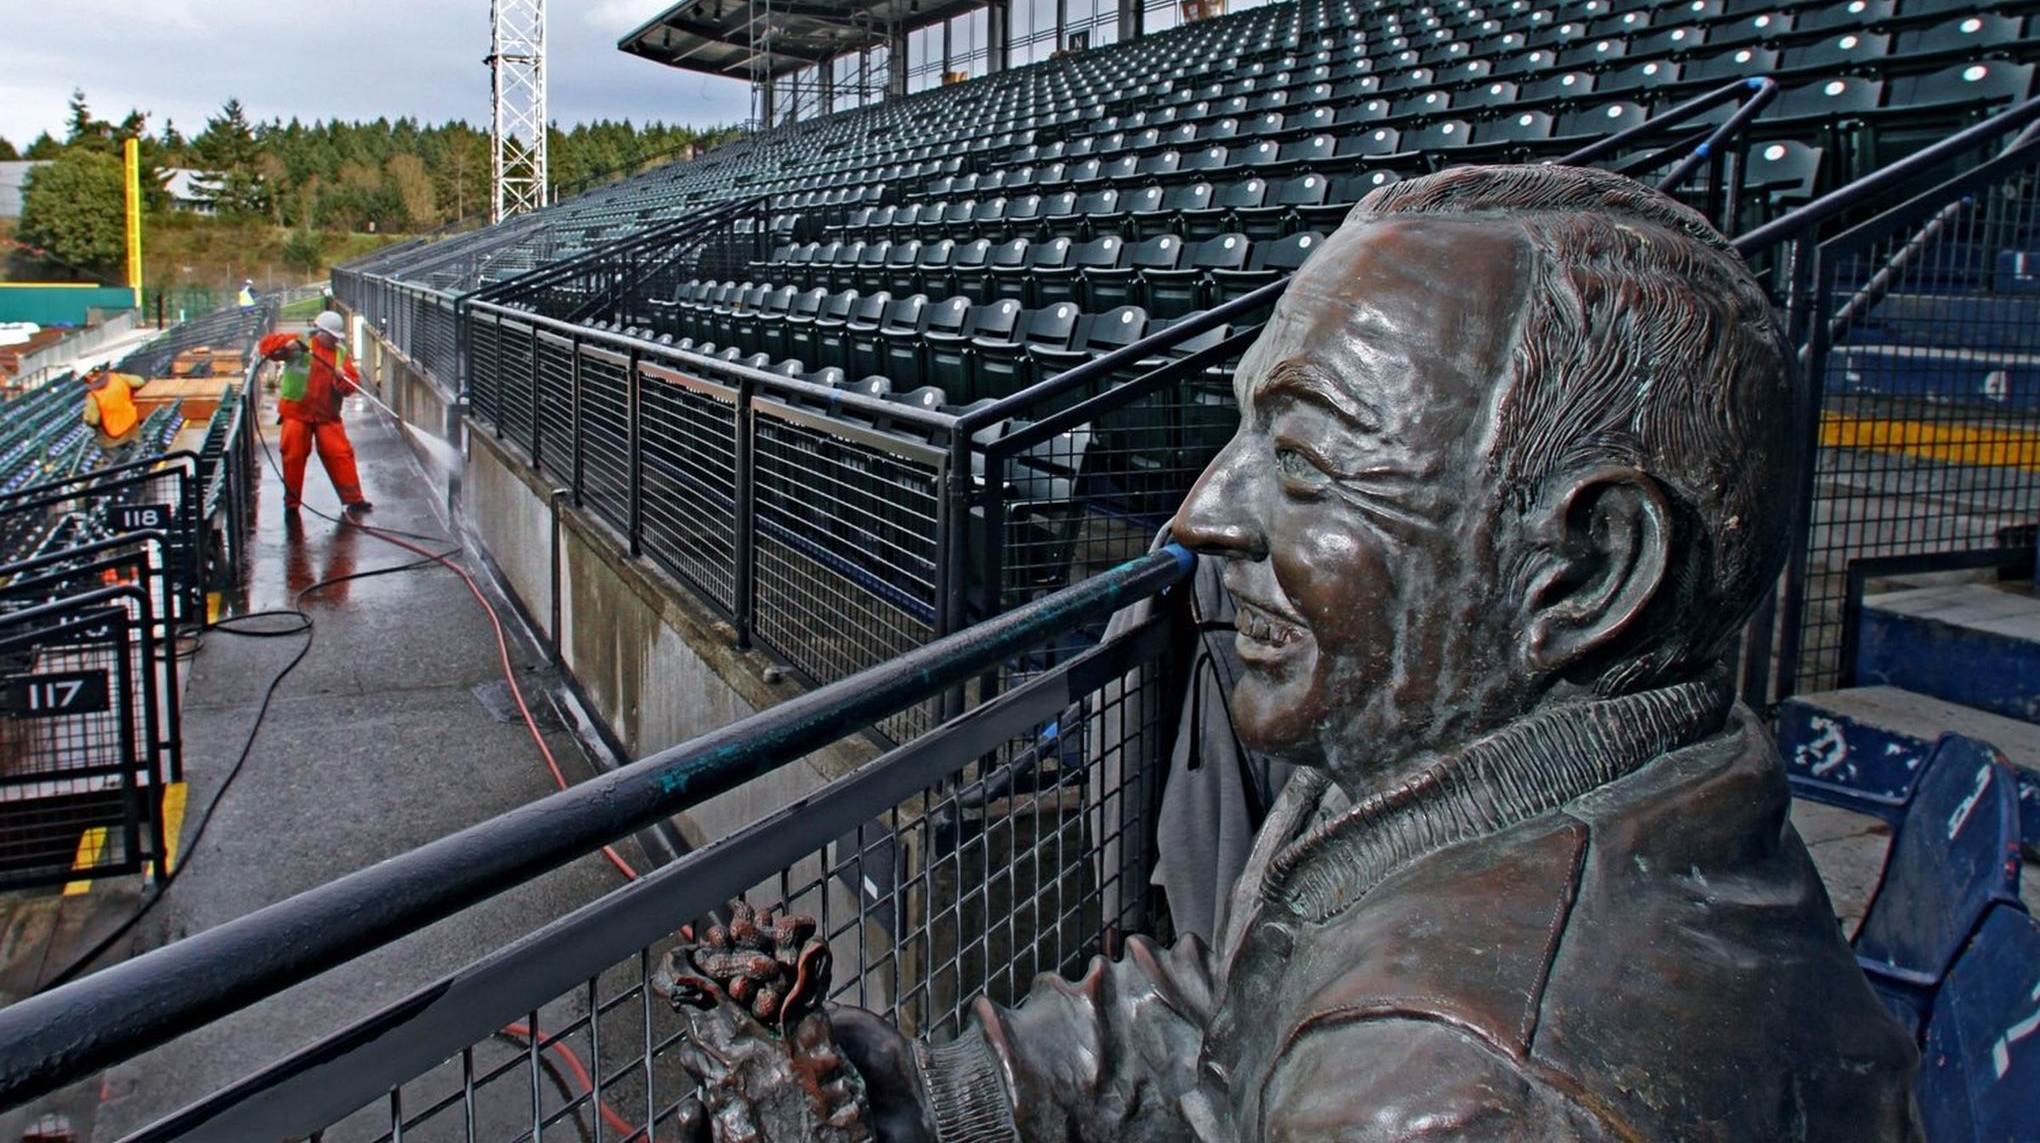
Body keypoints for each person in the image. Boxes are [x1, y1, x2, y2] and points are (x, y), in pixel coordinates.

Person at [666, 165, 1924, 1142]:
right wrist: (904, 1094)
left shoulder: (1454, 1092)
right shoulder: (1450, 762)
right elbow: (1230, 1016)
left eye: (1309, 465)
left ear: (1590, 569)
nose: (1203, 516)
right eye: (1245, 436)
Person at [257, 309, 372, 519]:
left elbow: (350, 386)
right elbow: (266, 347)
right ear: (321, 333)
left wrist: (342, 378)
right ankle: (292, 503)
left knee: (340, 454)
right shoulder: (300, 344)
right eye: (332, 336)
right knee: (293, 456)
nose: (334, 341)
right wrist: (286, 345)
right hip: (297, 413)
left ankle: (354, 500)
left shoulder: (340, 354)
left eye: (337, 338)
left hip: (326, 415)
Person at [79, 365, 149, 450]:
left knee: (117, 460)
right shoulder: (117, 377)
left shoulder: (93, 395)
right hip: (131, 426)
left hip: (113, 437)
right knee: (138, 452)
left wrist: (86, 418)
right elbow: (140, 381)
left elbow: (93, 420)